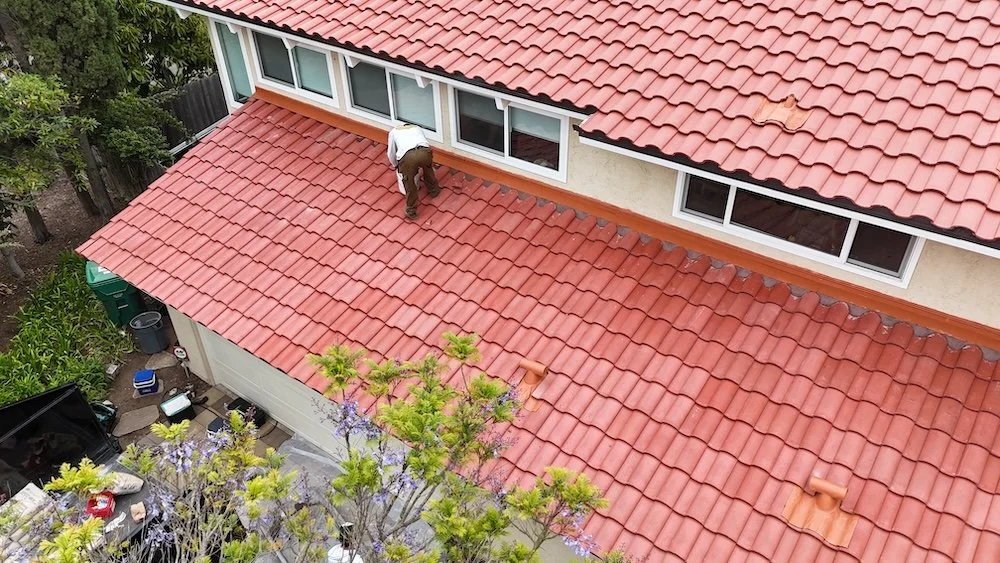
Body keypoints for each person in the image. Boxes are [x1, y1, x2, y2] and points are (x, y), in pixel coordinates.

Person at [387, 124, 440, 219]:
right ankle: (434, 190)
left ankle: (411, 210)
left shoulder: (394, 132)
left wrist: (396, 166)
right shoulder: (416, 128)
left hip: (408, 156)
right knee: (428, 169)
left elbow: (391, 153)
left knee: (409, 182)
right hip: (425, 152)